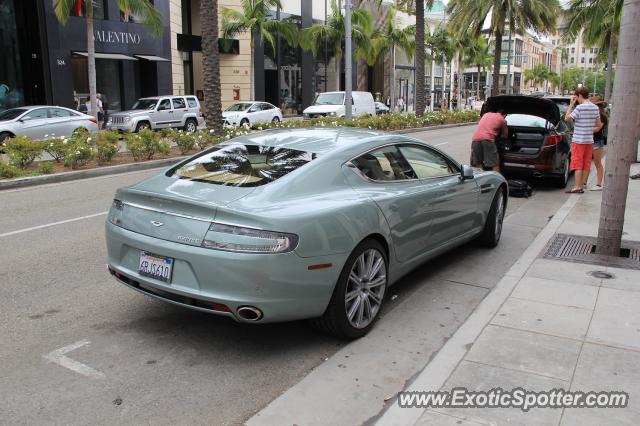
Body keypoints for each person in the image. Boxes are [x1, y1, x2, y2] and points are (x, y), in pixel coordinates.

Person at [564, 86, 602, 193]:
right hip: (589, 140)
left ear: (580, 96)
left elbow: (567, 119)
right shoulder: (595, 107)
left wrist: (571, 104)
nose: (577, 100)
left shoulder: (579, 108)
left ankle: (577, 187)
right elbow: (598, 125)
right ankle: (582, 185)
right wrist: (588, 129)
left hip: (578, 140)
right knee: (586, 163)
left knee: (577, 163)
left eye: (576, 98)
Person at [589, 96, 608, 191]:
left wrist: (586, 128)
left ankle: (599, 184)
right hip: (590, 140)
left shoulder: (602, 116)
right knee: (587, 162)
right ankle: (584, 183)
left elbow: (597, 129)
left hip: (597, 141)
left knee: (597, 163)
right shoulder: (594, 114)